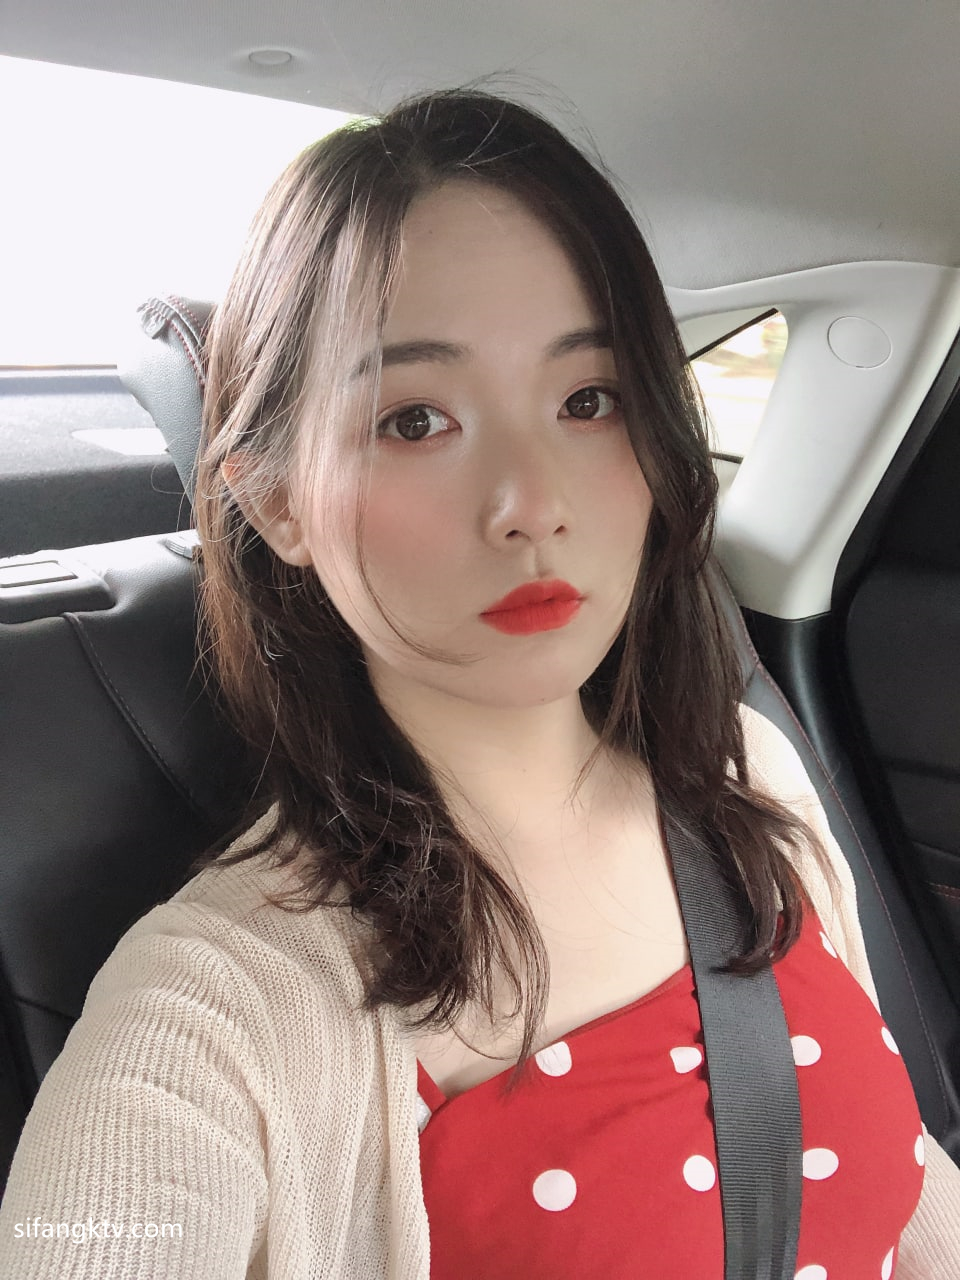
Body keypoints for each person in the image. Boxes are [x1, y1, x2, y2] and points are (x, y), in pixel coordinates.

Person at [1, 88, 958, 1279]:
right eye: (415, 419)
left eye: (589, 400)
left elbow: (908, 1187)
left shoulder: (751, 775)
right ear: (277, 501)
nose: (532, 502)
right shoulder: (215, 1010)